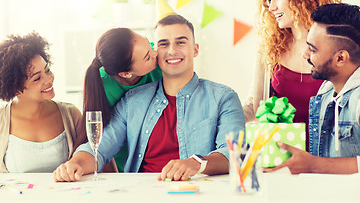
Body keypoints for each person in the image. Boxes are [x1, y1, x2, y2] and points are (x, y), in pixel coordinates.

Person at [53, 14, 246, 182]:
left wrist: (196, 163)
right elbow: (100, 149)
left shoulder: (223, 98)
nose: (171, 50)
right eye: (163, 44)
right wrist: (75, 163)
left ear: (195, 49)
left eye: (180, 42)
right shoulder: (131, 101)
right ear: (156, 52)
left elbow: (235, 154)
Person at [243, 0, 341, 148]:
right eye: (269, 0)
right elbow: (255, 104)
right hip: (282, 154)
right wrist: (226, 117)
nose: (271, 7)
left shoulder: (337, 44)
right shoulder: (269, 48)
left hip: (327, 154)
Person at [264, 3, 360, 174]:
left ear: (340, 58)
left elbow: (316, 164)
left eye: (313, 49)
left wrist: (314, 164)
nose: (305, 55)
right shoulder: (325, 92)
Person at [0, 32, 86, 173]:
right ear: (16, 89)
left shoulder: (71, 115)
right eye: (37, 78)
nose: (48, 79)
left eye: (47, 70)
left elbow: (93, 161)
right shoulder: (2, 120)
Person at [83, 28, 161, 172]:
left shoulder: (158, 63)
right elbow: (105, 139)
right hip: (122, 157)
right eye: (147, 57)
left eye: (150, 45)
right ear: (126, 74)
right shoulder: (101, 84)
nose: (155, 53)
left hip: (157, 152)